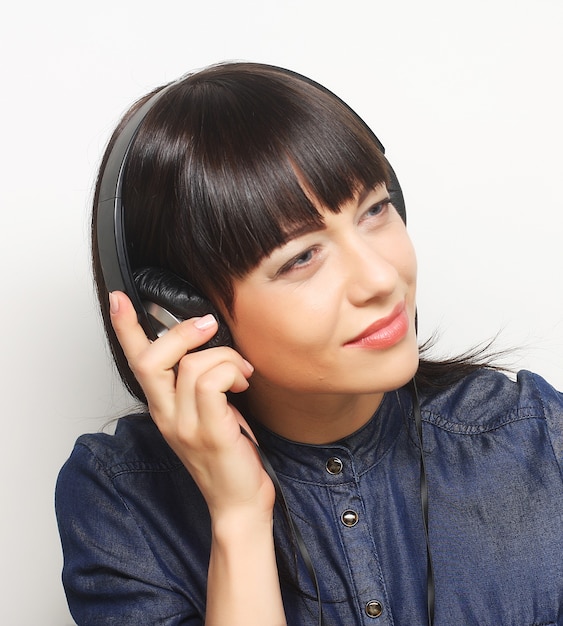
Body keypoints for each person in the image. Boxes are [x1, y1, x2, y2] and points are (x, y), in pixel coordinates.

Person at [55, 62, 563, 626]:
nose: (379, 279)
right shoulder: (121, 501)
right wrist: (239, 517)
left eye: (374, 210)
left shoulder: (536, 438)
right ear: (181, 315)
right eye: (301, 257)